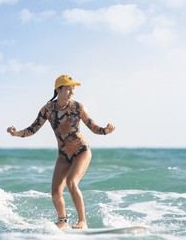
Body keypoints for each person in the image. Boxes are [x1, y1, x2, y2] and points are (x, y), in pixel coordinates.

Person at [7, 75, 115, 229]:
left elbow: (92, 126)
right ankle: (62, 221)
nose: (72, 91)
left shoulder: (78, 107)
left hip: (81, 151)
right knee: (55, 191)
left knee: (71, 182)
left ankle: (82, 221)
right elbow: (33, 128)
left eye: (74, 88)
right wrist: (16, 133)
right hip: (63, 155)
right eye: (68, 88)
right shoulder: (48, 109)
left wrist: (105, 131)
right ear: (58, 89)